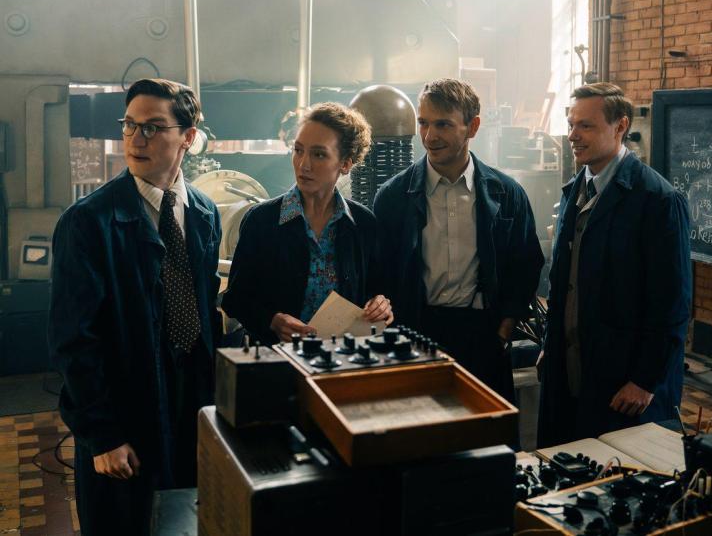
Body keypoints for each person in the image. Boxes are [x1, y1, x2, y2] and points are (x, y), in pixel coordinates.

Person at [49, 79, 222, 535]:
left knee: (187, 520)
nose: (135, 139)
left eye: (152, 127)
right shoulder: (88, 222)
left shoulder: (204, 212)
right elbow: (74, 341)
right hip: (126, 410)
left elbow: (205, 312)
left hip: (191, 403)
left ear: (188, 137)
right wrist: (102, 435)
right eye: (129, 125)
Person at [537, 82, 691, 446]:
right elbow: (562, 281)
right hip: (569, 367)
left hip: (623, 380)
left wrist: (645, 380)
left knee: (616, 471)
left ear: (620, 126)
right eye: (571, 124)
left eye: (585, 126)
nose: (572, 135)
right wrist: (551, 344)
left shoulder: (657, 200)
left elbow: (672, 303)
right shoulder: (575, 190)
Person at [373, 78, 544, 402]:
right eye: (423, 123)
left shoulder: (507, 194)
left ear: (473, 126)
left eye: (443, 124)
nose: (429, 136)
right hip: (417, 336)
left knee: (487, 429)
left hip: (484, 337)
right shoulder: (393, 197)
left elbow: (525, 268)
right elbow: (380, 274)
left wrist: (503, 331)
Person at [222, 102, 392, 343]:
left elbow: (377, 291)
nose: (304, 164)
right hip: (278, 357)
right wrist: (272, 320)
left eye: (319, 154)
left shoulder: (363, 224)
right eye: (298, 150)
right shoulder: (262, 220)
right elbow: (235, 299)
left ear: (345, 163)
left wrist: (381, 305)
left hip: (341, 357)